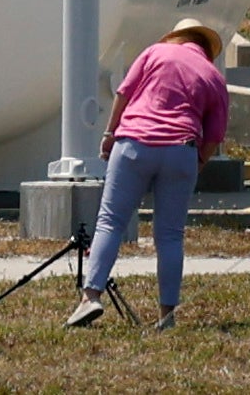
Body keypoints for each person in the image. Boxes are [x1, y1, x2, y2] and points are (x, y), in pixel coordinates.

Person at [71, 18, 232, 327]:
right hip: (181, 149)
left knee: (110, 222)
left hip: (134, 144)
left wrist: (109, 135)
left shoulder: (155, 52)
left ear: (177, 37)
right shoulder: (213, 75)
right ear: (205, 48)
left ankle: (91, 297)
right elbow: (214, 135)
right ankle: (166, 315)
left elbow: (124, 94)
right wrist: (196, 163)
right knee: (170, 235)